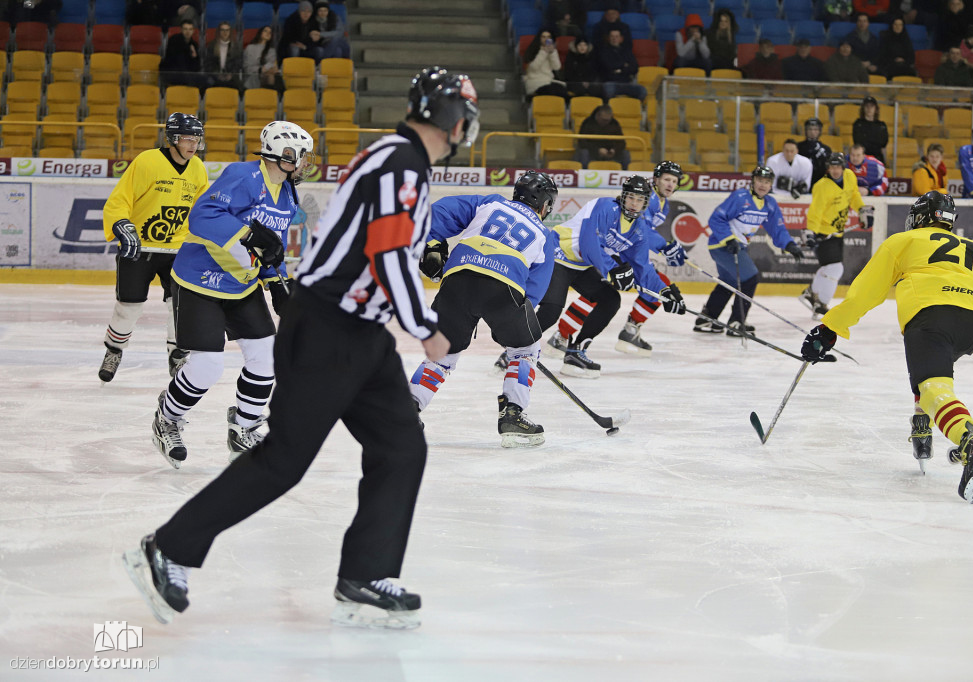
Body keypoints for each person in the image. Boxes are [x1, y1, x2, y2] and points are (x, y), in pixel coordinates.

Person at [123, 67, 478, 630]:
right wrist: (427, 326)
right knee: (285, 459)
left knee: (401, 448)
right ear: (456, 119)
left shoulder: (393, 160)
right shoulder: (401, 164)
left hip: (361, 332)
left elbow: (384, 250)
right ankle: (169, 547)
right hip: (331, 328)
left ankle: (364, 574)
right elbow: (387, 255)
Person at [801, 191, 973, 503]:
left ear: (921, 217)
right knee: (934, 374)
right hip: (971, 324)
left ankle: (970, 443)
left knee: (933, 386)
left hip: (929, 317)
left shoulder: (903, 241)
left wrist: (830, 328)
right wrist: (967, 315)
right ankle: (923, 421)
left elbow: (865, 294)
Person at [148, 120, 314, 469]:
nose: (305, 163)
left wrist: (278, 282)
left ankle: (245, 426)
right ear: (283, 154)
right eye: (301, 156)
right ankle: (168, 418)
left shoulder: (286, 193)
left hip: (242, 286)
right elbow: (202, 216)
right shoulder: (242, 175)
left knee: (267, 356)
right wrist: (248, 234)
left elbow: (272, 248)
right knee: (207, 366)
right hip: (200, 283)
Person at [411, 171, 559, 448]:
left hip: (457, 278)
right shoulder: (545, 234)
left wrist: (433, 243)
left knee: (443, 353)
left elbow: (436, 212)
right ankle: (513, 414)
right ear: (544, 205)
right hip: (504, 286)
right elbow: (535, 291)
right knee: (526, 350)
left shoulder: (490, 202)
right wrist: (512, 328)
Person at [531, 176, 685, 378]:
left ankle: (576, 351)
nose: (634, 203)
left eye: (639, 200)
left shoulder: (638, 230)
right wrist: (612, 268)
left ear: (645, 203)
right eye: (630, 197)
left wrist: (665, 292)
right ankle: (514, 351)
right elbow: (589, 243)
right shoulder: (605, 207)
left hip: (581, 265)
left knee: (610, 300)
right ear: (623, 196)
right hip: (558, 256)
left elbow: (643, 267)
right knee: (551, 309)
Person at [98, 113, 209, 384]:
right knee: (129, 305)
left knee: (180, 304)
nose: (193, 145)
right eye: (187, 138)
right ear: (172, 138)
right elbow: (120, 199)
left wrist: (208, 237)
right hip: (140, 249)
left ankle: (177, 353)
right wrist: (122, 224)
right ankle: (114, 351)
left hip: (178, 250)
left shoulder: (198, 168)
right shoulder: (147, 161)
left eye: (196, 139)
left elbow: (203, 210)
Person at [693, 166, 803, 336]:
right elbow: (717, 218)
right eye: (760, 180)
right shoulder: (740, 197)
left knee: (729, 281)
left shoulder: (769, 204)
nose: (763, 185)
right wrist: (729, 239)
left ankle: (707, 319)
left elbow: (777, 229)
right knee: (750, 278)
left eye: (767, 182)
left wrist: (789, 245)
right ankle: (737, 321)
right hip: (722, 246)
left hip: (736, 247)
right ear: (753, 181)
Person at [800, 152, 870, 317]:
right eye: (832, 167)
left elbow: (853, 195)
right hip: (824, 233)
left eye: (838, 167)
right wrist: (810, 232)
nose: (836, 170)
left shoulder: (849, 176)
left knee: (830, 268)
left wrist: (861, 210)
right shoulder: (822, 186)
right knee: (835, 268)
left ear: (843, 167)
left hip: (838, 232)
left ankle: (812, 295)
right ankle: (820, 302)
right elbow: (815, 212)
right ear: (828, 168)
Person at [595, 29, 646, 101]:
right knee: (608, 90)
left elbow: (635, 68)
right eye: (612, 36)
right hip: (611, 82)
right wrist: (624, 65)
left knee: (642, 90)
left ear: (620, 38)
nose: (614, 39)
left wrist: (619, 69)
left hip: (627, 83)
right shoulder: (603, 51)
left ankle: (634, 109)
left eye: (616, 36)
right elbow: (608, 66)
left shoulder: (627, 51)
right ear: (609, 38)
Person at [575, 104, 630, 169]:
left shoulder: (614, 123)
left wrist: (614, 150)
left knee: (625, 154)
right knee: (584, 153)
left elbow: (621, 142)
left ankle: (624, 176)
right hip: (592, 152)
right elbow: (582, 142)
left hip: (610, 153)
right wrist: (597, 150)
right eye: (604, 120)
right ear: (597, 116)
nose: (607, 122)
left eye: (608, 120)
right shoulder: (588, 123)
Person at [523, 29, 568, 100]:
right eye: (543, 37)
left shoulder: (552, 51)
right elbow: (534, 67)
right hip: (535, 82)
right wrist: (544, 52)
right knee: (553, 91)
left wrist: (552, 53)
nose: (546, 39)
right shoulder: (532, 50)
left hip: (549, 81)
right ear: (539, 38)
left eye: (548, 37)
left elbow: (556, 67)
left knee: (563, 90)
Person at [159, 18, 201, 88]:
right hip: (172, 72)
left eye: (190, 29)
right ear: (181, 30)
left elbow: (196, 66)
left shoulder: (194, 44)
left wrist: (195, 56)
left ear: (193, 31)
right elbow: (174, 59)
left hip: (186, 75)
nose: (188, 32)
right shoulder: (174, 40)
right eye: (185, 29)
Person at [203, 22, 243, 90]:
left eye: (227, 30)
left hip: (231, 77)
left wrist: (231, 74)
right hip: (215, 77)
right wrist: (217, 74)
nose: (225, 32)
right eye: (222, 30)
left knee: (239, 88)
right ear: (219, 32)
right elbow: (208, 64)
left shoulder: (236, 47)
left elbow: (238, 63)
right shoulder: (212, 45)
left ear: (230, 32)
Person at [851, 95, 888, 164]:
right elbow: (858, 142)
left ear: (876, 108)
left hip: (877, 158)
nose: (869, 108)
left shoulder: (881, 125)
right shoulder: (858, 124)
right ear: (863, 108)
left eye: (871, 106)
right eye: (867, 106)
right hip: (862, 159)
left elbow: (883, 143)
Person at [243, 25, 281, 90]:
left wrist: (265, 69)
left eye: (270, 32)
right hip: (253, 76)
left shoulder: (271, 50)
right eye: (265, 31)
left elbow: (271, 64)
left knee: (272, 74)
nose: (268, 33)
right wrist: (261, 69)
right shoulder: (250, 48)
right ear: (260, 33)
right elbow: (247, 68)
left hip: (267, 75)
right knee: (270, 74)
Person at [798, 117, 833, 184]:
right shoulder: (798, 147)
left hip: (820, 183)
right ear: (806, 130)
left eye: (815, 129)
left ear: (819, 131)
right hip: (802, 182)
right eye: (810, 129)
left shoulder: (826, 149)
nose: (812, 132)